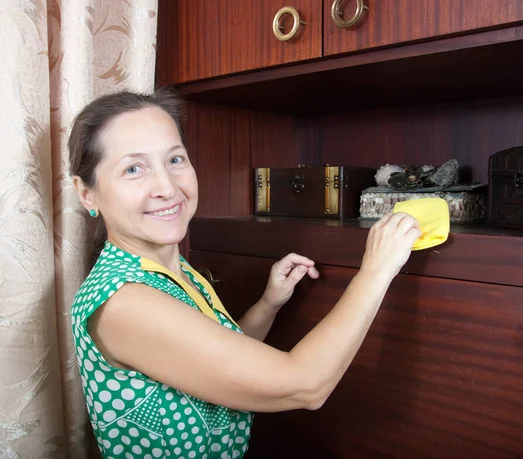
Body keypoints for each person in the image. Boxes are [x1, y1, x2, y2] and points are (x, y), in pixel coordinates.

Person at [69, 87, 421, 459]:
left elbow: (213, 359)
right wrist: (378, 269)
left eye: (175, 160)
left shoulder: (165, 270)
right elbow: (304, 386)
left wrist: (269, 304)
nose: (167, 188)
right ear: (87, 193)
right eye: (133, 169)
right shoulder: (126, 303)